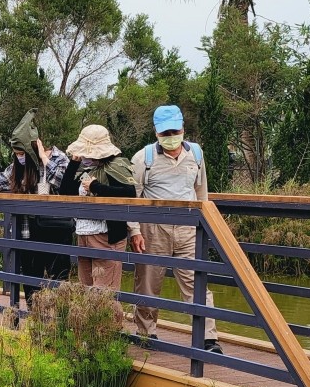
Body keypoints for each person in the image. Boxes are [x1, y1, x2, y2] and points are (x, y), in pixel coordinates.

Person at [130, 104, 222, 354]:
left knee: (197, 282)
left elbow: (201, 191)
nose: (170, 137)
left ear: (183, 128)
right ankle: (146, 333)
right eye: (165, 133)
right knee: (148, 282)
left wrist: (206, 223)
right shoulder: (143, 158)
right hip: (153, 229)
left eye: (174, 131)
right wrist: (134, 230)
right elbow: (133, 197)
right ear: (156, 133)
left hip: (188, 227)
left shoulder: (197, 155)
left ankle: (208, 339)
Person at [0, 109, 73, 302]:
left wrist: (44, 159)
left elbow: (65, 183)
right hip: (29, 231)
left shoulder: (58, 159)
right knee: (31, 280)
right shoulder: (19, 167)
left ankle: (58, 324)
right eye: (16, 154)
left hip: (56, 230)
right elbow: (0, 180)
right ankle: (34, 318)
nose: (19, 157)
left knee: (58, 280)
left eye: (22, 153)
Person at [59, 124, 140, 297]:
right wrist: (74, 162)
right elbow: (65, 191)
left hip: (107, 236)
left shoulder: (116, 166)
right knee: (86, 290)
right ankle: (91, 324)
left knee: (104, 294)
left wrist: (96, 186)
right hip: (84, 234)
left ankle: (109, 325)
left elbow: (129, 193)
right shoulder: (85, 168)